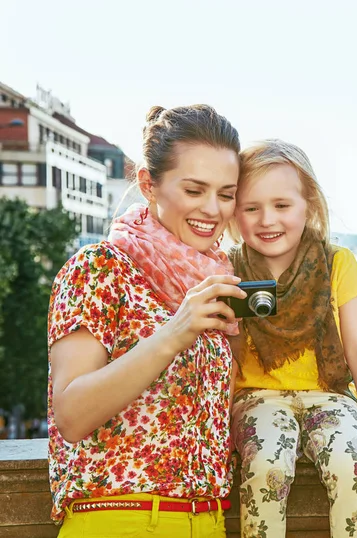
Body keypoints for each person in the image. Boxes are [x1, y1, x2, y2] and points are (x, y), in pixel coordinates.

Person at [47, 104, 247, 538]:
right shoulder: (99, 268)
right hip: (120, 518)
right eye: (195, 190)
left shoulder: (219, 281)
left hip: (210, 521)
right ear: (148, 184)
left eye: (226, 194)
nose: (212, 210)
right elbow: (72, 414)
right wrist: (175, 332)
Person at [227, 139, 357, 538]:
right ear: (234, 212)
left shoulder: (337, 262)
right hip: (258, 396)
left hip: (331, 395)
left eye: (281, 205)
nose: (266, 219)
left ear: (307, 205)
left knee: (351, 464)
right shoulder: (228, 269)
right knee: (265, 466)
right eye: (251, 207)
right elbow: (226, 358)